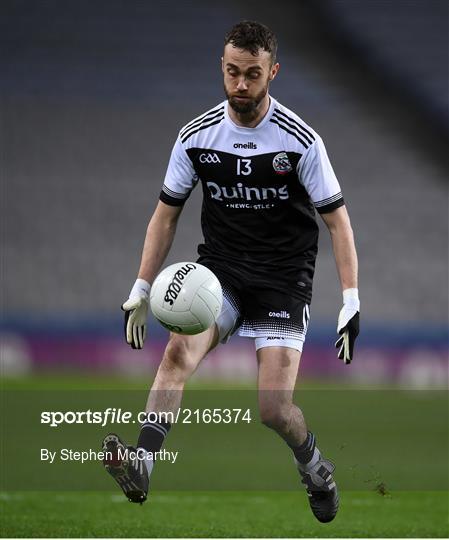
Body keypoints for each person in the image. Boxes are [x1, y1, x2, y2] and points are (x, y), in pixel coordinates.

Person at [102, 20, 360, 523]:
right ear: (221, 68)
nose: (241, 84)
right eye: (233, 72)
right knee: (177, 353)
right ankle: (142, 464)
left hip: (284, 279)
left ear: (273, 73)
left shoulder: (301, 141)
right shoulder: (196, 137)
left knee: (273, 411)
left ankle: (314, 468)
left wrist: (351, 299)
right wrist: (140, 286)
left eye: (253, 75)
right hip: (220, 274)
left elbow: (338, 223)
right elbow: (166, 214)